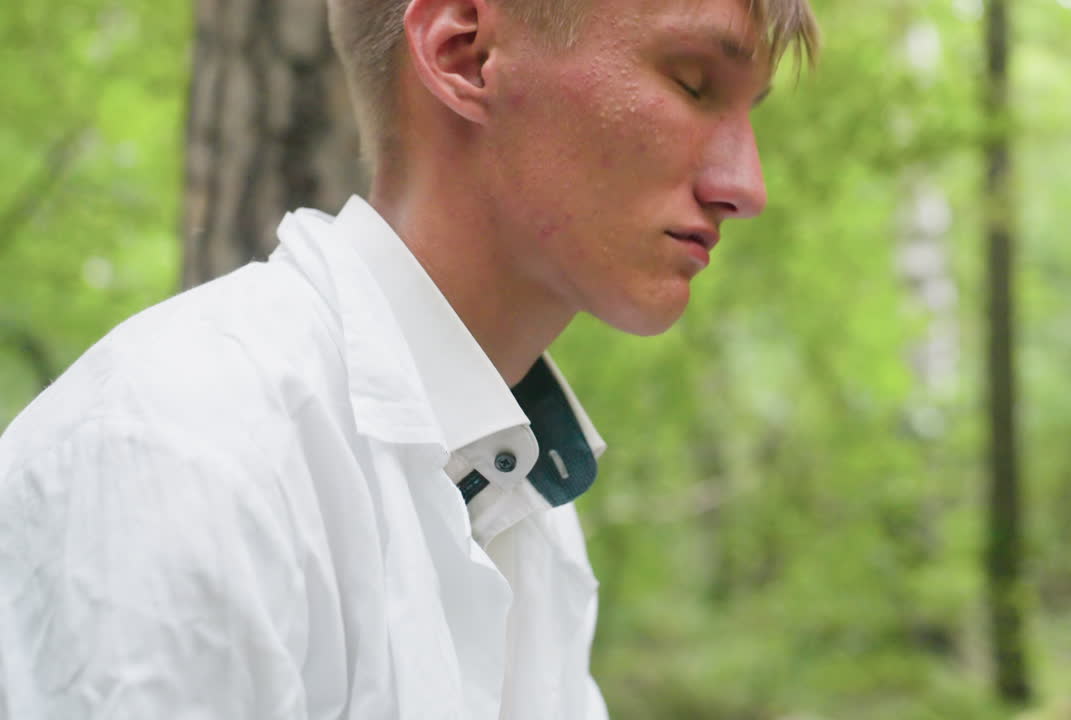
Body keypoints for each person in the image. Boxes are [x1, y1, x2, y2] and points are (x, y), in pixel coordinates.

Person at [0, 0, 817, 716]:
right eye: (693, 84)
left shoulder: (529, 515)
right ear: (465, 55)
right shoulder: (182, 442)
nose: (746, 185)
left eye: (749, 113)